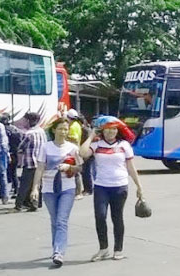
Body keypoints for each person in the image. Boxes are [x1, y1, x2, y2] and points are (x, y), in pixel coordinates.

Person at [80, 119, 144, 262]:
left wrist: (139, 186)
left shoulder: (124, 145)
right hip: (101, 186)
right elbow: (83, 153)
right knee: (100, 216)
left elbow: (131, 167)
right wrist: (90, 137)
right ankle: (103, 249)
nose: (111, 131)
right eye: (108, 129)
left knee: (117, 217)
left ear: (118, 130)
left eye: (114, 129)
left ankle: (118, 249)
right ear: (102, 131)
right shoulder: (96, 145)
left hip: (120, 186)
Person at [30, 118, 82, 266]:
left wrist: (69, 167)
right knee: (55, 221)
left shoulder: (72, 148)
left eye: (66, 129)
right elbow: (40, 168)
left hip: (67, 188)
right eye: (60, 128)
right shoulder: (45, 147)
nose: (63, 132)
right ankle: (56, 248)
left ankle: (59, 252)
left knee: (61, 221)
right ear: (54, 130)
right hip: (48, 188)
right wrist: (35, 188)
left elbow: (80, 167)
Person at [10, 112, 47, 213]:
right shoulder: (42, 132)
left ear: (28, 121)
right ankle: (35, 203)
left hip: (30, 162)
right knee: (37, 183)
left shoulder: (29, 134)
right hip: (40, 162)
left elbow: (21, 147)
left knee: (24, 185)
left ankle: (18, 205)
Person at [0, 113, 23, 197]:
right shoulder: (15, 129)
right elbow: (20, 140)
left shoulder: (2, 129)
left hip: (5, 153)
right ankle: (16, 190)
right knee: (13, 173)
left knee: (4, 173)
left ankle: (4, 192)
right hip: (14, 153)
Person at [66, 109, 85, 200]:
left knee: (75, 172)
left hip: (73, 151)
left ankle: (78, 192)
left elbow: (75, 139)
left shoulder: (73, 126)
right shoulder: (76, 124)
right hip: (74, 150)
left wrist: (65, 136)